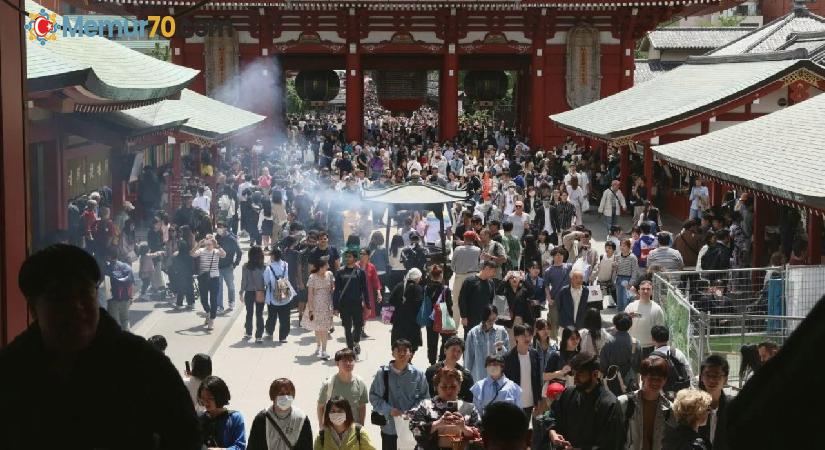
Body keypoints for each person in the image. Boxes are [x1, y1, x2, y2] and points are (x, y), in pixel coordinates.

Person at [0, 244, 201, 449]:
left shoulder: (141, 362)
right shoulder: (11, 370)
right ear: (34, 308)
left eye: (84, 293)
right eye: (60, 297)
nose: (76, 306)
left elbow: (186, 435)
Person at [548, 353, 624, 450]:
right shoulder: (568, 394)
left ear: (595, 374)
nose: (575, 378)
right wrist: (553, 432)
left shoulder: (609, 404)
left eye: (580, 373)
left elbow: (612, 443)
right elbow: (552, 416)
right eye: (574, 373)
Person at [369, 339, 431, 450]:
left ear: (411, 354)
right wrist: (389, 410)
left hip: (412, 427)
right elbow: (374, 397)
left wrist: (413, 411)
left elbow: (425, 398)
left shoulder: (418, 374)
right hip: (389, 427)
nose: (402, 353)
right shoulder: (382, 374)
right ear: (393, 353)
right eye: (398, 350)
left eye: (405, 350)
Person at [408, 367, 483, 450]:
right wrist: (438, 424)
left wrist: (464, 427)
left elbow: (479, 434)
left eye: (453, 386)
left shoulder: (470, 408)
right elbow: (415, 430)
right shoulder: (425, 406)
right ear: (436, 387)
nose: (449, 391)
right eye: (444, 387)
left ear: (459, 386)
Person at [618, 356, 675, 450]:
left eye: (659, 378)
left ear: (665, 380)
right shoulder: (624, 403)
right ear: (642, 377)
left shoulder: (670, 410)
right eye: (652, 378)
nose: (655, 382)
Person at [248, 378, 314, 450]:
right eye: (281, 394)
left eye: (288, 394)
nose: (285, 397)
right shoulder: (261, 419)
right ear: (273, 396)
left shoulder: (301, 419)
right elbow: (253, 446)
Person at [317, 349, 370, 426]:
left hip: (353, 430)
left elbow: (362, 407)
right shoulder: (328, 384)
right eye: (344, 361)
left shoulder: (360, 383)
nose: (348, 363)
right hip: (333, 430)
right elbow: (320, 407)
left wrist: (361, 426)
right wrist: (322, 427)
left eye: (351, 360)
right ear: (337, 363)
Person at [334, 249, 371, 354]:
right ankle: (350, 349)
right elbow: (336, 291)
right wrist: (335, 307)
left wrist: (368, 305)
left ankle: (356, 342)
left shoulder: (360, 272)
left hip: (357, 304)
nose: (347, 258)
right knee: (347, 327)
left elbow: (365, 290)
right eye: (346, 256)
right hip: (344, 304)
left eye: (349, 256)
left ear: (355, 258)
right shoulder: (340, 272)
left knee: (359, 325)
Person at [503, 324, 542, 420]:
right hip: (514, 402)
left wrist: (537, 400)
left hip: (530, 401)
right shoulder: (508, 358)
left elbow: (537, 378)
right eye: (524, 335)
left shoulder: (534, 354)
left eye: (529, 335)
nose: (527, 338)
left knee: (525, 430)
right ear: (516, 337)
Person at [197, 376, 247, 450]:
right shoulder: (200, 419)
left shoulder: (235, 418)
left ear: (219, 397)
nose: (206, 402)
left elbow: (240, 447)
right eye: (203, 398)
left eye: (210, 399)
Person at [464, 304, 511, 383]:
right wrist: (466, 378)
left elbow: (507, 357)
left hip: (497, 378)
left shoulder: (501, 331)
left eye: (494, 319)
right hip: (479, 378)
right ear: (484, 318)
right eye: (489, 320)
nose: (491, 322)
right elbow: (468, 358)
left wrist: (501, 348)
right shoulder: (473, 333)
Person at [600, 312, 641, 397]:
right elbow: (638, 367)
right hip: (630, 383)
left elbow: (603, 366)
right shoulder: (636, 343)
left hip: (613, 383)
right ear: (630, 325)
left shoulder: (607, 343)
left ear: (615, 324)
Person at [303, 257, 336, 359]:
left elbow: (333, 287)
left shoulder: (329, 274)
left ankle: (324, 350)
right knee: (317, 328)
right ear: (321, 267)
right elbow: (310, 294)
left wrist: (332, 289)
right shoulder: (312, 277)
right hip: (316, 305)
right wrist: (311, 308)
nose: (328, 266)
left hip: (327, 304)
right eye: (326, 265)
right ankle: (318, 346)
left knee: (325, 328)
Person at [192, 235, 227, 330]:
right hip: (203, 278)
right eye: (207, 244)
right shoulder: (202, 250)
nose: (208, 246)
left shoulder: (216, 251)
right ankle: (207, 312)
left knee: (213, 299)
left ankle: (212, 319)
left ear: (213, 244)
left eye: (210, 244)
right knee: (203, 299)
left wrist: (218, 246)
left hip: (214, 278)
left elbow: (224, 255)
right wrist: (198, 244)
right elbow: (192, 254)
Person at [425, 336, 475, 402]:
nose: (455, 354)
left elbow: (470, 398)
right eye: (453, 350)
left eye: (459, 351)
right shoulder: (431, 371)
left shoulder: (466, 375)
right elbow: (426, 394)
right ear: (445, 350)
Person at [651, 325, 694, 398]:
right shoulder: (677, 352)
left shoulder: (653, 357)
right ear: (668, 338)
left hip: (664, 395)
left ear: (652, 339)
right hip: (681, 391)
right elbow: (688, 370)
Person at [697, 355, 730, 450]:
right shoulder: (692, 406)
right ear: (701, 377)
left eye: (717, 375)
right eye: (708, 375)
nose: (712, 380)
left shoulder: (733, 407)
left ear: (725, 379)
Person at [625, 280, 666, 357]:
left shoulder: (657, 309)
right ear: (639, 291)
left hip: (649, 348)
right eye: (643, 289)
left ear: (652, 292)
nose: (645, 291)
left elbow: (660, 330)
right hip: (632, 345)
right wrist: (628, 317)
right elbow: (623, 325)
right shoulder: (630, 306)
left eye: (648, 289)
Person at [264, 247, 297, 342]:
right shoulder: (286, 265)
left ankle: (270, 332)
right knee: (285, 317)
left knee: (272, 316)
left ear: (273, 256)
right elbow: (287, 278)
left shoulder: (269, 268)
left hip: (272, 297)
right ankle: (283, 337)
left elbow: (266, 281)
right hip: (285, 294)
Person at [458, 261, 498, 339]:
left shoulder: (491, 283)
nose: (494, 274)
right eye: (493, 271)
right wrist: (464, 317)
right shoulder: (470, 281)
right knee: (470, 341)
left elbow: (491, 301)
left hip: (485, 319)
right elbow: (462, 299)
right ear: (486, 269)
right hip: (471, 319)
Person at [425, 264, 455, 365]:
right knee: (446, 340)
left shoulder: (426, 288)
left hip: (430, 316)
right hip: (443, 316)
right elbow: (449, 305)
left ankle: (432, 362)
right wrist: (451, 317)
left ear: (431, 275)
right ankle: (441, 360)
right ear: (441, 275)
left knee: (431, 341)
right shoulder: (445, 289)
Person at [451, 231, 481, 325]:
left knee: (456, 301)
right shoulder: (478, 250)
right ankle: (472, 322)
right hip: (473, 276)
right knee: (472, 300)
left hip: (460, 276)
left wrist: (457, 270)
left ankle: (455, 325)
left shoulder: (458, 249)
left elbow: (452, 265)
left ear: (464, 238)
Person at [543, 247, 572, 339]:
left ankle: (566, 341)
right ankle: (553, 342)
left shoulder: (569, 267)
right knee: (554, 322)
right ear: (553, 257)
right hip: (554, 299)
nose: (559, 257)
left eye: (561, 255)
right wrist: (548, 298)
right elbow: (546, 286)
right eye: (557, 255)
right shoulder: (548, 271)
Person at [103, 247, 135, 330]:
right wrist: (131, 297)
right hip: (126, 298)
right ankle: (128, 338)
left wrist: (107, 300)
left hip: (113, 299)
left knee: (114, 323)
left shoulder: (107, 269)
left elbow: (107, 287)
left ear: (109, 256)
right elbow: (131, 283)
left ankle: (118, 341)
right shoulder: (127, 267)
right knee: (125, 320)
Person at [241, 246, 267, 342]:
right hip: (260, 292)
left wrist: (241, 292)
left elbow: (244, 281)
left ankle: (248, 333)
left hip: (249, 292)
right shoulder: (264, 267)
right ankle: (259, 336)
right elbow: (266, 281)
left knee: (249, 313)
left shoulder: (246, 266)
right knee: (259, 314)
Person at [216, 222, 243, 312]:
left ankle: (231, 302)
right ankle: (219, 306)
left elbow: (239, 252)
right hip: (217, 267)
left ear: (225, 228)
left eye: (220, 227)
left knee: (230, 286)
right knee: (218, 287)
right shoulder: (217, 238)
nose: (218, 229)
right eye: (217, 227)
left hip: (228, 267)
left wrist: (235, 263)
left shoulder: (231, 239)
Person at [615, 239, 641, 312]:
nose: (622, 247)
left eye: (624, 246)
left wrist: (631, 282)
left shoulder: (633, 257)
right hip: (619, 279)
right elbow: (616, 270)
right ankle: (619, 315)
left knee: (626, 300)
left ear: (629, 247)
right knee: (619, 299)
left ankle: (627, 315)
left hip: (627, 279)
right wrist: (614, 267)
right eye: (621, 245)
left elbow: (635, 271)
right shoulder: (618, 256)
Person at [359, 248, 383, 322]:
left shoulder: (371, 267)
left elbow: (376, 281)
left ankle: (362, 330)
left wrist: (379, 294)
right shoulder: (356, 266)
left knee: (366, 313)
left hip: (368, 293)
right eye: (360, 254)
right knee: (358, 312)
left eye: (364, 254)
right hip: (357, 292)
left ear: (368, 256)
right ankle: (358, 330)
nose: (362, 256)